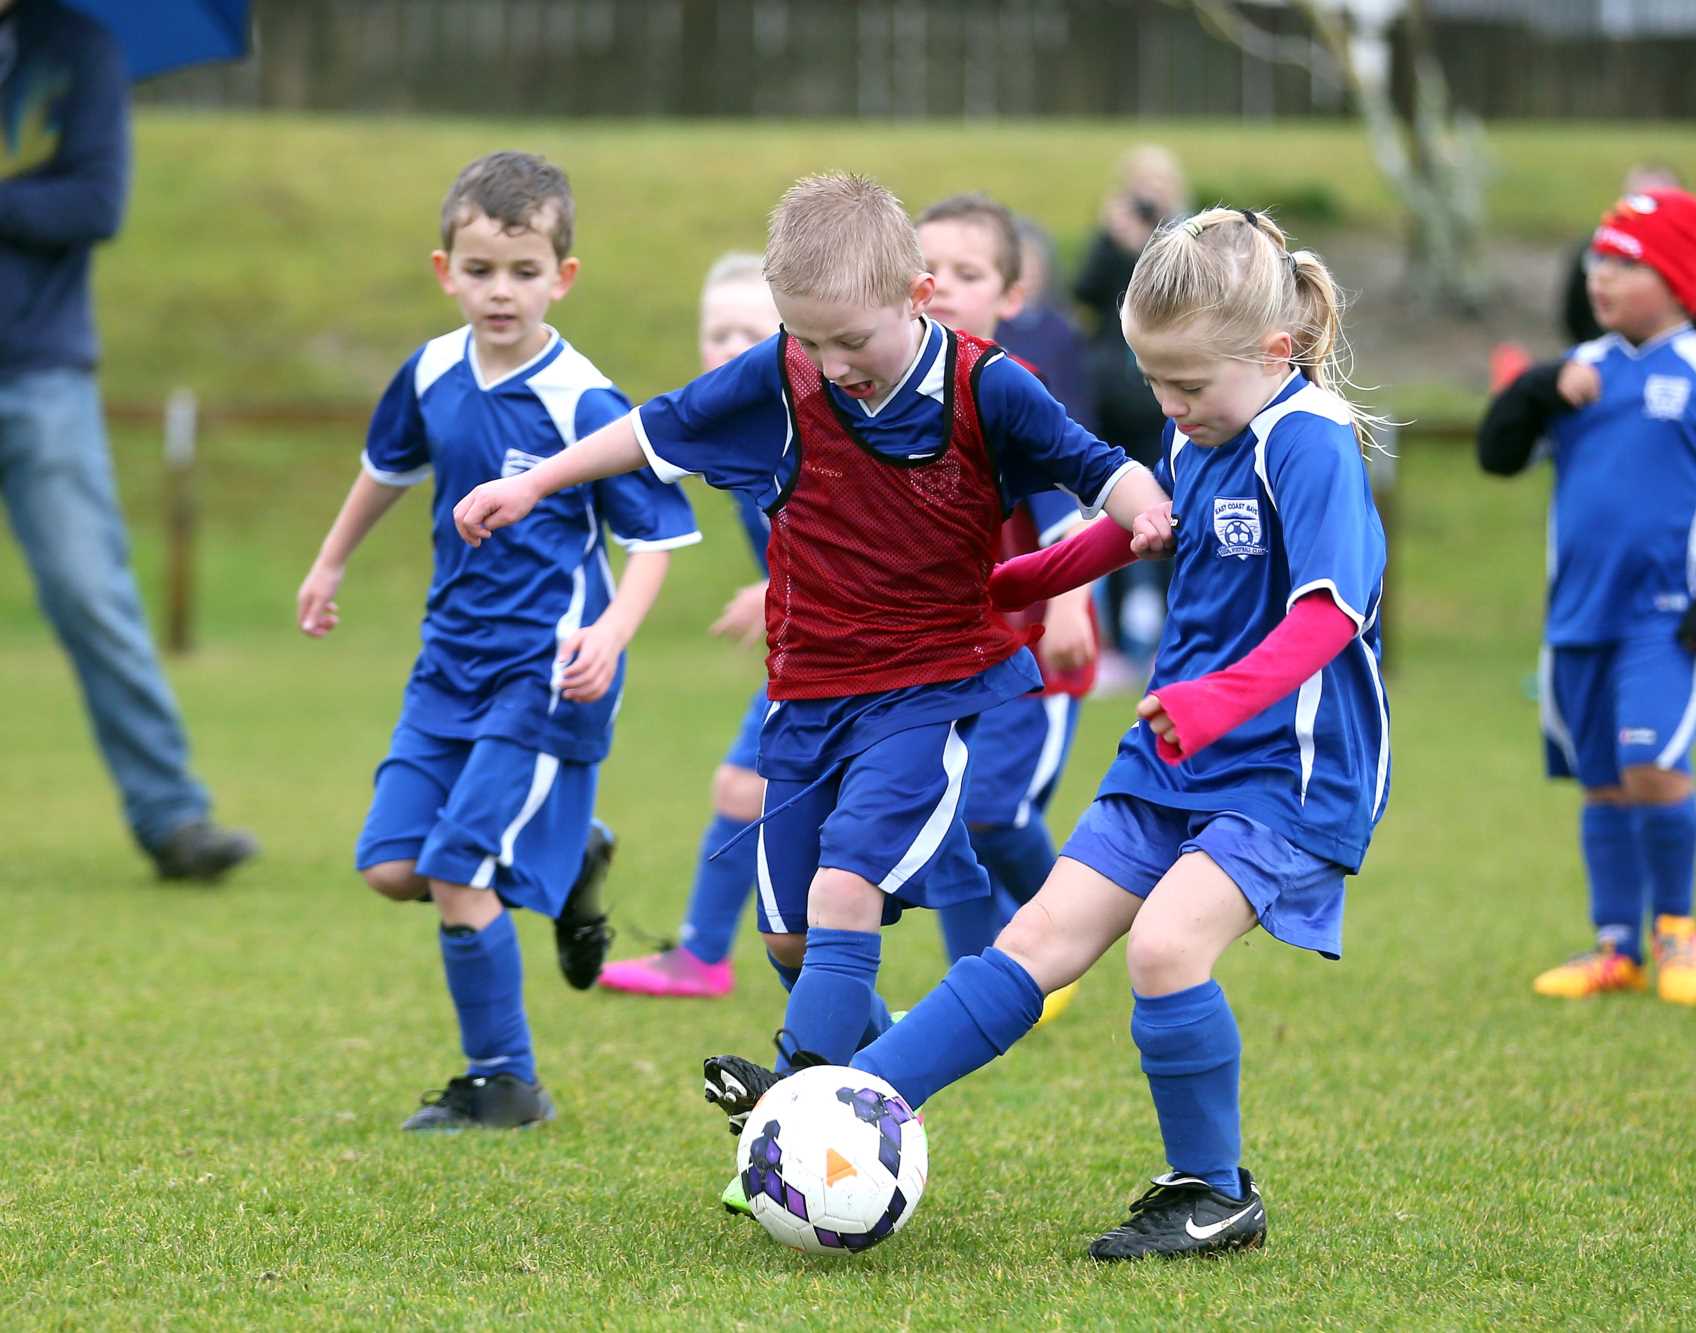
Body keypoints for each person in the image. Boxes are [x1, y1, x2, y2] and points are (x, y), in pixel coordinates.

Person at [708, 206, 1392, 1262]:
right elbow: (1147, 526)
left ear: (1273, 349)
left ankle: (1212, 1192)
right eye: (1155, 385)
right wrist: (1019, 579)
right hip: (1173, 756)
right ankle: (846, 1099)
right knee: (1030, 942)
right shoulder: (1205, 425)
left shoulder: (1308, 443)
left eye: (1187, 388)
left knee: (1164, 949)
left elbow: (1330, 612)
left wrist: (1214, 702)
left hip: (1285, 769)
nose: (1167, 408)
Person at [450, 172, 1171, 1125]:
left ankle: (795, 1093)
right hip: (804, 699)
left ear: (915, 298)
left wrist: (1143, 510)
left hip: (924, 691)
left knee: (844, 890)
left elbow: (1097, 466)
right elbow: (654, 428)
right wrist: (538, 481)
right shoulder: (786, 372)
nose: (831, 364)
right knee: (789, 937)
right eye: (809, 339)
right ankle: (863, 1093)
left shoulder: (986, 384)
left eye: (851, 340)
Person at [296, 152, 701, 1130]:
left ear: (562, 276)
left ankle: (502, 1081)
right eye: (480, 271)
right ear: (444, 271)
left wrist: (610, 630)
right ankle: (570, 872)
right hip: (447, 665)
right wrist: (330, 561)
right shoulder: (431, 371)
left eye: (523, 272)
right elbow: (384, 468)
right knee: (391, 866)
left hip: (544, 672)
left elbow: (655, 537)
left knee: (455, 870)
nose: (500, 291)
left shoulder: (584, 402)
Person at [1479, 187, 1696, 1008]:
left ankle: (1676, 927)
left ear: (1679, 278)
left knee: (1653, 764)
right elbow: (1496, 453)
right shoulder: (1582, 372)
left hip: (1665, 620)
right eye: (1597, 260)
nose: (1601, 276)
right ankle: (1616, 945)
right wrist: (1541, 385)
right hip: (1578, 616)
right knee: (1604, 781)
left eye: (1625, 262)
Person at [0, 0, 257, 881]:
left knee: (90, 594)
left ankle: (173, 816)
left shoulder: (80, 50)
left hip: (41, 373)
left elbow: (95, 201)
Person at [915, 194, 1094, 1030]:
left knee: (989, 808)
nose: (943, 286)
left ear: (1011, 298)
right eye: (929, 270)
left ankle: (1074, 929)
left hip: (1032, 659)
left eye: (969, 273)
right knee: (944, 817)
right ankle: (974, 984)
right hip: (949, 660)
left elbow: (1074, 507)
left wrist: (1067, 606)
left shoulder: (1011, 389)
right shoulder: (894, 393)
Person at [598, 254, 783, 998]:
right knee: (742, 788)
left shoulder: (804, 427)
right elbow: (641, 455)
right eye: (717, 331)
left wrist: (777, 588)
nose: (731, 345)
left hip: (869, 646)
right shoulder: (722, 425)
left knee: (941, 820)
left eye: (751, 330)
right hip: (808, 648)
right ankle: (703, 954)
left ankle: (1020, 946)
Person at [1074, 145, 1191, 681]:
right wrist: (1114, 239)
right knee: (1122, 514)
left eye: (1157, 185)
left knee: (1180, 514)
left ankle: (1177, 632)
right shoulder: (1112, 240)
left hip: (1168, 406)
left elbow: (1178, 299)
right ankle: (1121, 640)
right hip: (1115, 399)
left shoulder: (1191, 242)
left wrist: (1149, 242)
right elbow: (1087, 293)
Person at [1561, 164, 1696, 345]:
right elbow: (1574, 314)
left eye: (1629, 265)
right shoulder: (1592, 248)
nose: (1603, 274)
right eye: (1637, 199)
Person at [995, 217, 1097, 437]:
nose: (1029, 275)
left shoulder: (1062, 330)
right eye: (1022, 266)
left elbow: (1075, 396)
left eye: (1035, 267)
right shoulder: (992, 327)